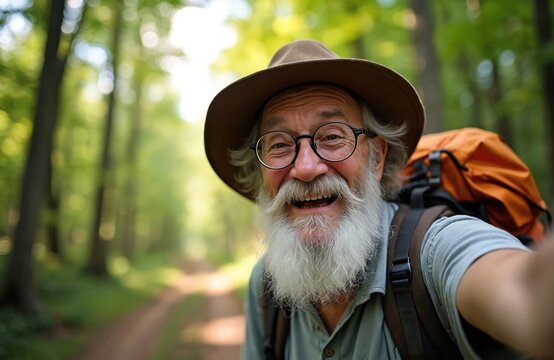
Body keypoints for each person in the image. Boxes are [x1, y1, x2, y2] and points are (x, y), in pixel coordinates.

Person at [204, 39, 554, 359]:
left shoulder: (435, 252)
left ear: (377, 158)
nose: (306, 167)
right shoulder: (265, 285)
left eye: (332, 136)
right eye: (279, 145)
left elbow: (521, 291)